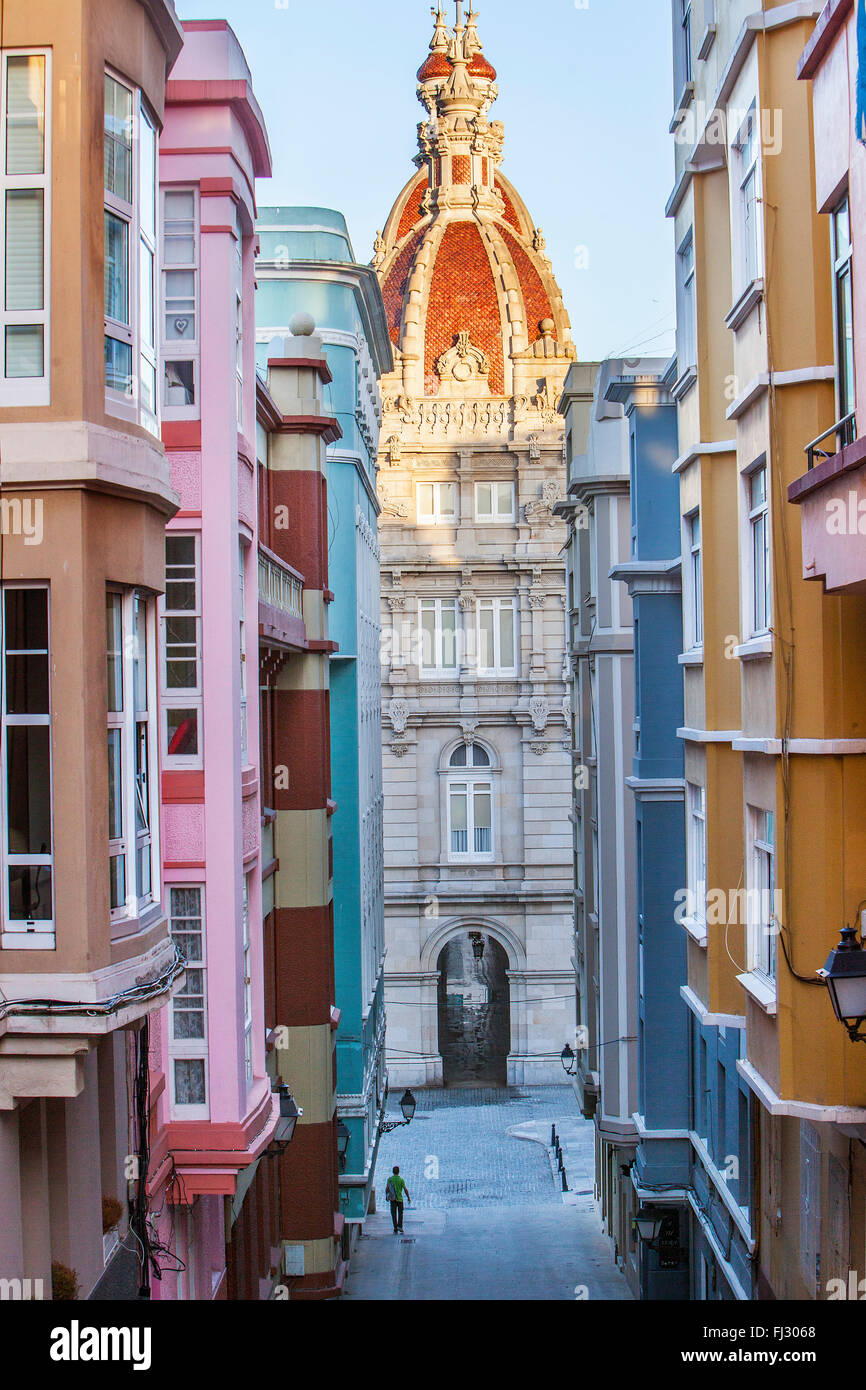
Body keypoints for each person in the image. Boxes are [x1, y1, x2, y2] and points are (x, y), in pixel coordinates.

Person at [384, 1165, 410, 1234]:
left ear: (393, 1172)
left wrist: (386, 1196)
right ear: (398, 1172)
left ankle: (395, 1227)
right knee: (400, 1213)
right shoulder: (401, 1179)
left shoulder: (389, 1179)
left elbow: (387, 1188)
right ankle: (400, 1226)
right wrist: (408, 1197)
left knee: (393, 1213)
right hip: (400, 1199)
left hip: (392, 1199)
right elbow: (405, 1189)